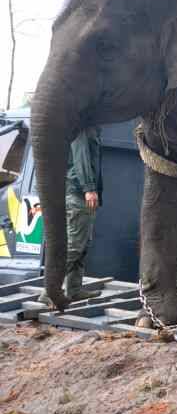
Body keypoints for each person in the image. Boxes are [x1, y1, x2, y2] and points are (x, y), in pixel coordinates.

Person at [40, 127, 102, 304]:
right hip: (79, 193)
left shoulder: (91, 129)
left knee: (82, 245)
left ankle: (74, 289)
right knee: (75, 245)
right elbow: (81, 158)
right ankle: (49, 290)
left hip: (80, 193)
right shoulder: (81, 130)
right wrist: (89, 188)